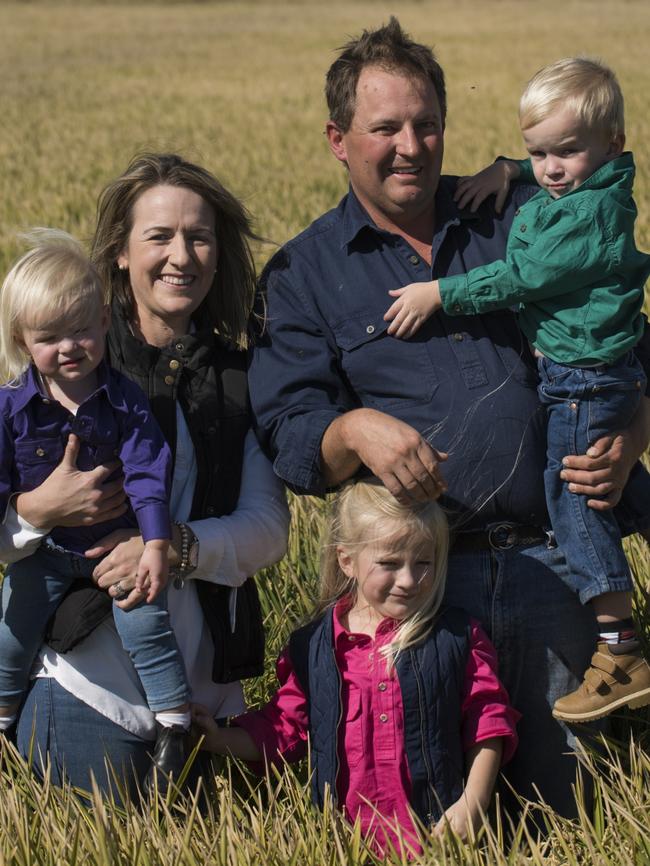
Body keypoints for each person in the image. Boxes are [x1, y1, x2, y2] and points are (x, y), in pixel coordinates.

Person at [248, 18, 650, 817]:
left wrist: (632, 430)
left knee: (588, 809)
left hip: (560, 567)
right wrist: (353, 429)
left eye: (427, 124)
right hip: (424, 595)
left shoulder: (518, 211)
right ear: (338, 138)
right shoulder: (302, 273)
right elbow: (290, 435)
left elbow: (630, 339)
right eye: (385, 128)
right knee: (440, 816)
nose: (411, 146)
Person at [1, 153, 289, 799]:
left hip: (208, 704)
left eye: (200, 236)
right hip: (85, 690)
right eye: (159, 236)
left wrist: (169, 546)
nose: (181, 256)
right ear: (120, 253)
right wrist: (39, 511)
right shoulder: (57, 373)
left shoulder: (242, 380)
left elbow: (269, 530)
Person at [382, 57, 650, 724]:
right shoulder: (600, 182)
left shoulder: (580, 220)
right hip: (599, 372)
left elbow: (520, 277)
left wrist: (438, 293)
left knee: (576, 499)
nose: (551, 169)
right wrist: (511, 169)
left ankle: (622, 651)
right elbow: (560, 164)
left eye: (565, 152)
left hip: (582, 376)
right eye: (540, 153)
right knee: (620, 485)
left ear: (612, 142)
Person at [193, 480, 518, 854]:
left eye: (424, 562)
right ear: (347, 560)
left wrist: (472, 804)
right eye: (390, 564)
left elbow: (488, 722)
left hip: (436, 843)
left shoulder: (457, 638)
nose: (410, 580)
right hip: (343, 846)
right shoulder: (312, 647)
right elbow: (285, 729)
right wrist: (218, 740)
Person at [0, 230, 194, 781]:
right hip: (47, 552)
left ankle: (174, 725)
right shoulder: (11, 409)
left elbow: (149, 470)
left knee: (146, 624)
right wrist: (35, 509)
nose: (69, 347)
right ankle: (4, 716)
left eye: (81, 330)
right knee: (13, 626)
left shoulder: (125, 398)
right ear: (22, 338)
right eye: (49, 336)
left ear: (105, 322)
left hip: (117, 547)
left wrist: (156, 542)